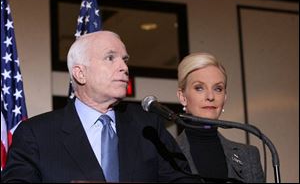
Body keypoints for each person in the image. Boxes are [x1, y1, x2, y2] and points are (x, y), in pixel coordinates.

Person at [1, 31, 193, 183]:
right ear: (80, 74)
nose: (124, 67)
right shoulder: (35, 134)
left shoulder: (149, 126)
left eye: (124, 60)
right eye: (110, 58)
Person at [176, 52, 265, 183]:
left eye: (218, 89)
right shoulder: (166, 153)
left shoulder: (248, 155)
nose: (210, 97)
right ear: (182, 97)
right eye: (199, 88)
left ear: (225, 97)